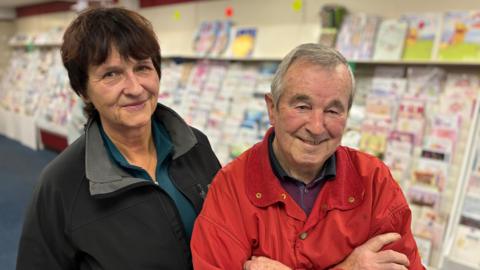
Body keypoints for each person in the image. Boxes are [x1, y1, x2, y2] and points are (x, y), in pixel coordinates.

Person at [16, 7, 221, 270]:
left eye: (143, 67)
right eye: (111, 74)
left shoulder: (195, 145)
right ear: (83, 89)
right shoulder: (60, 185)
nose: (135, 88)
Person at [191, 43, 425, 270]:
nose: (316, 126)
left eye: (333, 111)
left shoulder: (374, 182)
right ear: (272, 108)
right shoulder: (231, 188)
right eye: (302, 106)